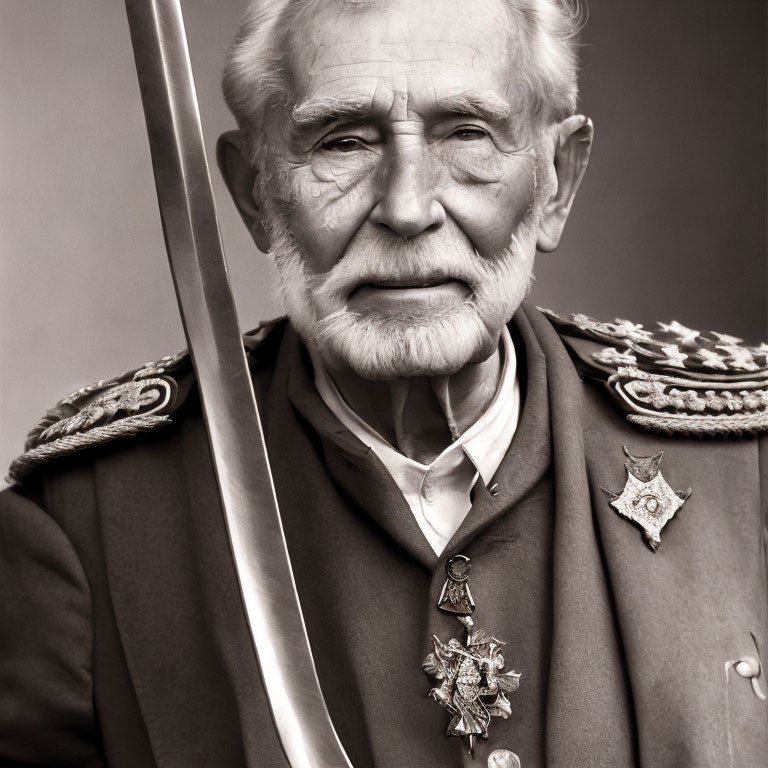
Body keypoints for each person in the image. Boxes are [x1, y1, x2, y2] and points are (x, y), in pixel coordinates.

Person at [1, 0, 766, 766]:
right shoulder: (82, 523)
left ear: (556, 183)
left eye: (466, 133)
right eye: (342, 143)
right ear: (255, 193)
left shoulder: (747, 464)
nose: (406, 208)